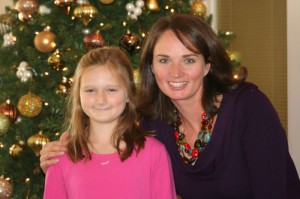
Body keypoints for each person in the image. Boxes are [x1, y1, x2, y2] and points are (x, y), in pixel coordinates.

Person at [40, 14, 300, 198]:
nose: (176, 73)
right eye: (164, 60)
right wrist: (57, 158)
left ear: (208, 65)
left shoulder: (248, 108)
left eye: (188, 60)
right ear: (151, 67)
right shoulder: (153, 120)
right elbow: (106, 140)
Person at [42, 47, 176, 199]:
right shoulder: (60, 156)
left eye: (111, 90)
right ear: (78, 95)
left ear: (128, 94)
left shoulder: (154, 154)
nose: (100, 99)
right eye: (90, 90)